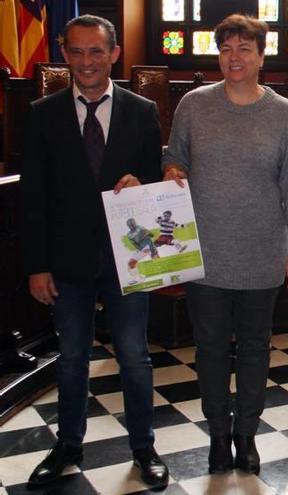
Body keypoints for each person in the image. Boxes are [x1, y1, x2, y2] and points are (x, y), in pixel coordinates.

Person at [162, 14, 288, 475]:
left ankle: (247, 434)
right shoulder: (193, 104)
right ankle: (217, 435)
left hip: (262, 252)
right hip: (204, 253)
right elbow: (175, 157)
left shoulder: (284, 113)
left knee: (254, 347)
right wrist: (172, 170)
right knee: (209, 349)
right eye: (226, 48)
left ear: (261, 56)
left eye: (244, 48)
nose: (235, 57)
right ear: (219, 54)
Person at [19, 14, 168, 488]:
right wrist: (37, 266)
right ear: (64, 54)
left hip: (129, 260)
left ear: (114, 54)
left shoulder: (142, 110)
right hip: (66, 264)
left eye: (96, 51)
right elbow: (32, 199)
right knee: (71, 359)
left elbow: (153, 180)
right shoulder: (42, 114)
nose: (86, 61)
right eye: (77, 52)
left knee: (134, 356)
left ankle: (144, 447)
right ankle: (68, 444)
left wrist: (140, 181)